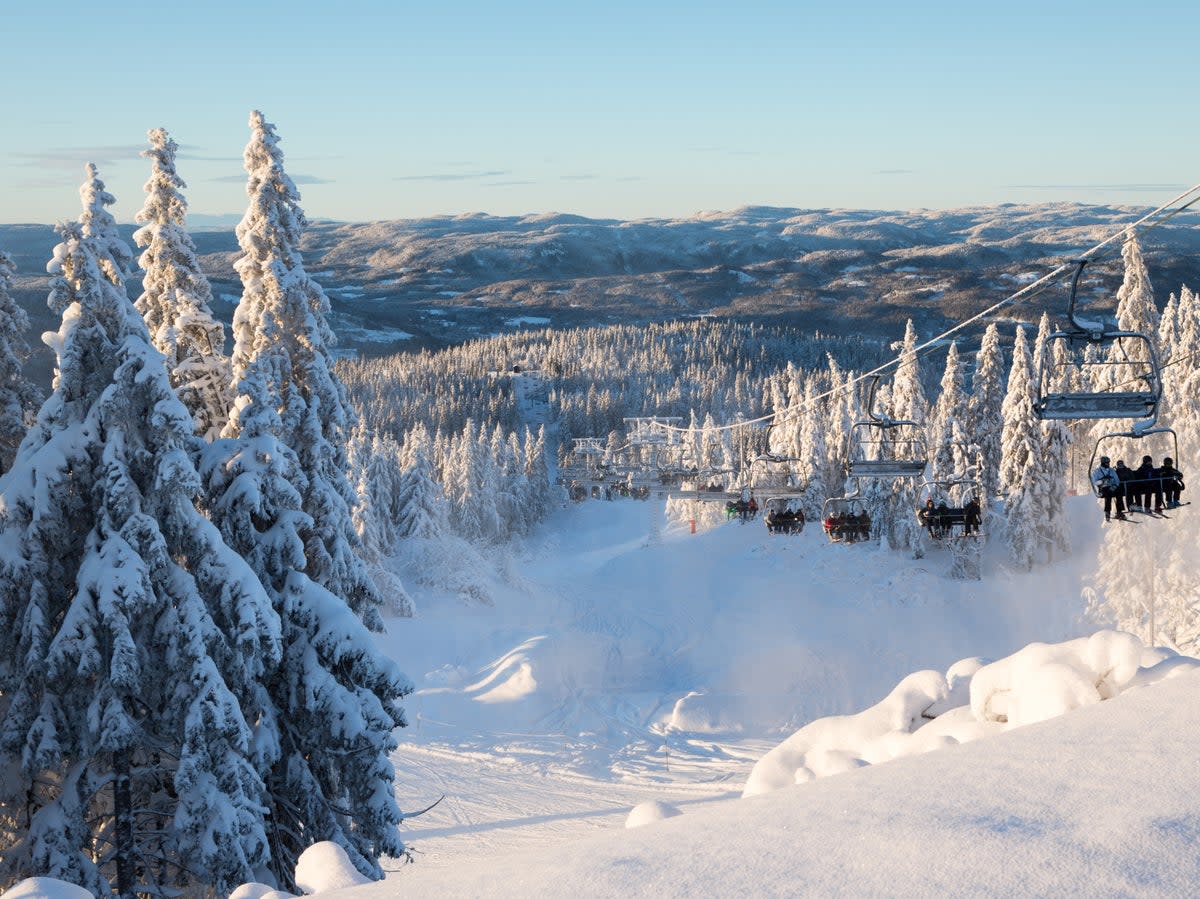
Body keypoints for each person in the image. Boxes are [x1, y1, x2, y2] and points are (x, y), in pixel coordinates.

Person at [1091, 456, 1126, 521]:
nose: (1108, 464)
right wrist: (1102, 481)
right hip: (1103, 488)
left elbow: (1117, 480)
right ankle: (1107, 512)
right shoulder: (1097, 471)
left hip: (1112, 486)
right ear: (1103, 463)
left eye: (1108, 463)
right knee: (1108, 494)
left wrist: (1115, 486)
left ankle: (1119, 511)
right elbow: (1095, 482)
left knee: (1119, 492)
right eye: (1106, 463)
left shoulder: (1111, 470)